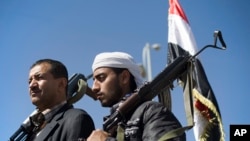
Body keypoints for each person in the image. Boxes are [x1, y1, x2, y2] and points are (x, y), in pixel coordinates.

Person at [87, 52, 186, 141]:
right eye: (94, 80)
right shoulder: (114, 124)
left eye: (101, 78)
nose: (94, 87)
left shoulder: (151, 112)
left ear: (124, 77)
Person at [28, 58, 95, 141]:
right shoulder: (32, 130)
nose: (31, 85)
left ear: (61, 84)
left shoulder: (77, 119)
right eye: (29, 81)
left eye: (39, 78)